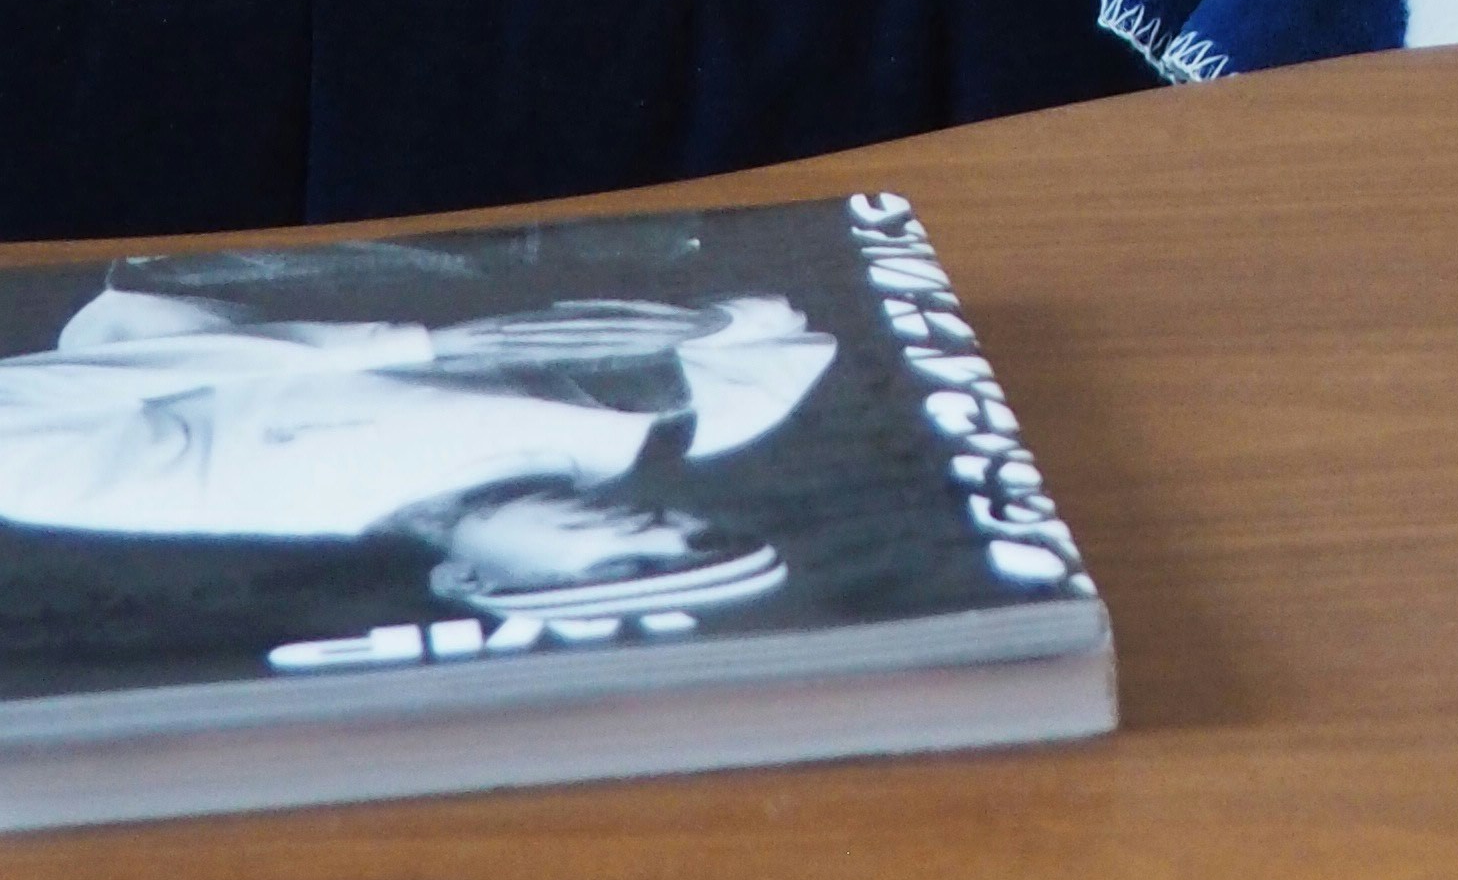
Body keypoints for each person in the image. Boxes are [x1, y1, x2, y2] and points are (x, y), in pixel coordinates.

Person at [0, 264, 834, 615]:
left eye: (628, 569)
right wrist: (712, 320)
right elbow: (786, 324)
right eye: (702, 539)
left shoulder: (253, 497)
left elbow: (18, 410)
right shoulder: (674, 426)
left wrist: (413, 343)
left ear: (468, 576)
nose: (654, 534)